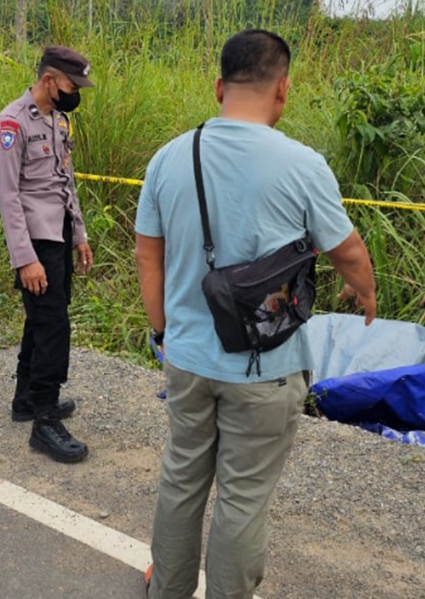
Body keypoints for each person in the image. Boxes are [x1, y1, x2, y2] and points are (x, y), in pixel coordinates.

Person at [134, 29, 377, 598]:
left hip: (189, 360)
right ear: (283, 90)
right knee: (242, 499)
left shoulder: (169, 158)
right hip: (265, 371)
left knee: (181, 480)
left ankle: (165, 590)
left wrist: (163, 333)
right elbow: (346, 251)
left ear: (219, 86)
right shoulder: (302, 164)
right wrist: (363, 291)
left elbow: (148, 254)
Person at [0, 45, 96, 464]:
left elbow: (65, 181)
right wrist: (25, 258)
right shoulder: (11, 125)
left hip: (59, 234)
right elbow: (8, 197)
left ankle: (26, 399)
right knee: (54, 326)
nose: (76, 93)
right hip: (34, 242)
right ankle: (45, 421)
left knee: (43, 319)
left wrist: (79, 233)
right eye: (72, 85)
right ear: (49, 80)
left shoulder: (58, 120)